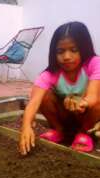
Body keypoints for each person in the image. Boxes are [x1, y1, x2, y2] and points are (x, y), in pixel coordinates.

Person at [19, 21, 100, 155]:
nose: (67, 57)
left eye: (74, 50)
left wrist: (82, 102)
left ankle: (84, 133)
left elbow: (93, 97)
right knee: (44, 96)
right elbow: (33, 103)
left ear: (84, 48)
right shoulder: (49, 74)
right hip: (65, 117)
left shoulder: (94, 63)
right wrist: (26, 127)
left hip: (88, 116)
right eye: (60, 51)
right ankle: (59, 131)